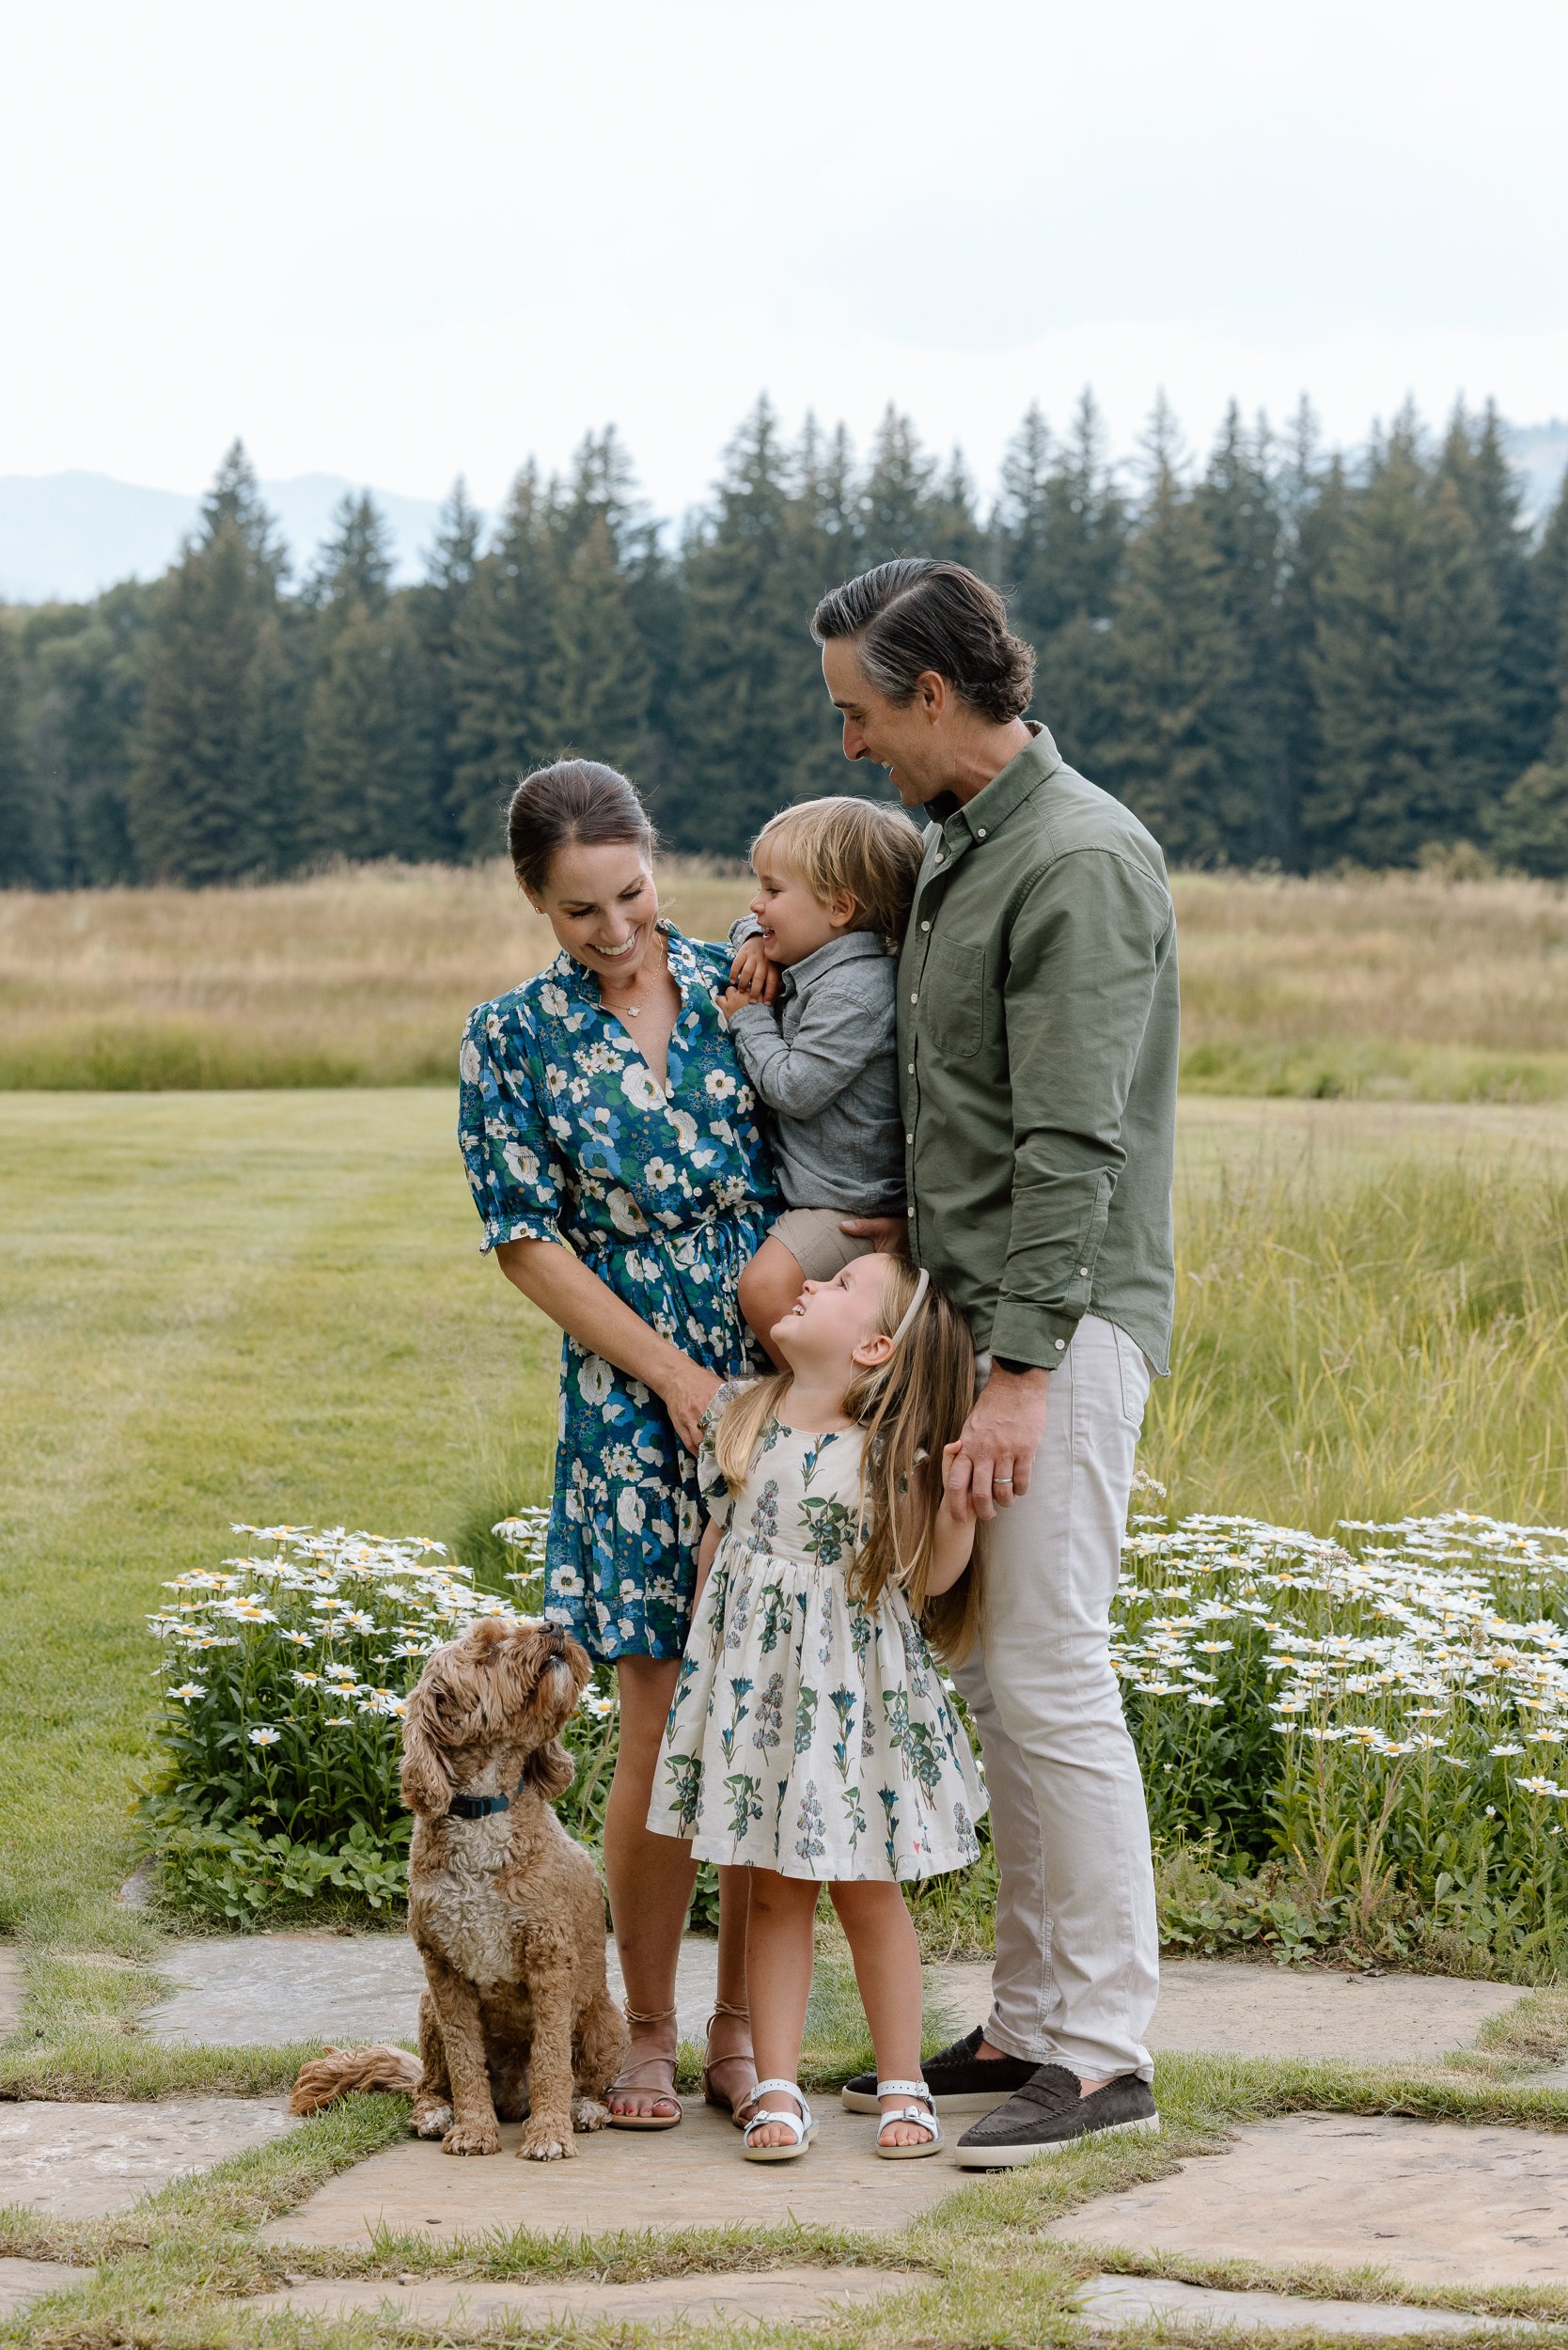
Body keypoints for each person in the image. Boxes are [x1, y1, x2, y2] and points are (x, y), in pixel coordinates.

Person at [814, 559, 1179, 2167]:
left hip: (1060, 1323)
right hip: (978, 1320)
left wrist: (1023, 1373)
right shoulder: (967, 845)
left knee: (1045, 1668)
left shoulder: (1080, 861)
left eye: (858, 713)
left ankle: (1100, 2055)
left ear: (936, 698)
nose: (847, 747)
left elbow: (1072, 1139)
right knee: (998, 1676)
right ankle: (1029, 2021)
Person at [457, 758, 779, 2132]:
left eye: (631, 891)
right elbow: (527, 1240)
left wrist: (775, 1372)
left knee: (762, 1715)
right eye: (579, 909)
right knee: (652, 1721)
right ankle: (642, 2029)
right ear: (536, 899)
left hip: (780, 1388)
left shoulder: (746, 980)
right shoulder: (510, 1038)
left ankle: (744, 2032)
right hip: (627, 1404)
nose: (615, 928)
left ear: (656, 859)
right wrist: (669, 1378)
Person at [646, 1250, 987, 2162]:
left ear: (876, 1345)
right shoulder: (743, 1416)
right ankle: (777, 2086)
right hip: (760, 1702)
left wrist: (955, 1508)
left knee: (868, 1892)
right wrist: (704, 1682)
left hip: (849, 1707)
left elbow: (932, 1579)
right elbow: (718, 1551)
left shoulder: (889, 1455)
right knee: (773, 1894)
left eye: (840, 1287)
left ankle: (904, 2078)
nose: (811, 1284)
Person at [718, 796, 923, 1362]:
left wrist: (750, 1017)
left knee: (764, 1290)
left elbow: (794, 1087)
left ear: (839, 908)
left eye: (773, 891)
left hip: (847, 1205)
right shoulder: (813, 956)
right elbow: (746, 923)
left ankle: (815, 1415)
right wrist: (754, 944)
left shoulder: (857, 992)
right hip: (819, 1193)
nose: (757, 904)